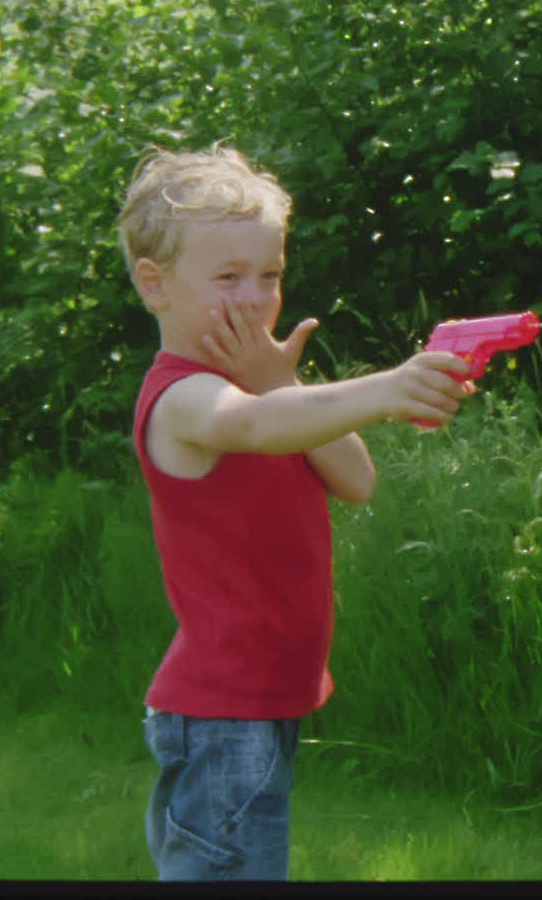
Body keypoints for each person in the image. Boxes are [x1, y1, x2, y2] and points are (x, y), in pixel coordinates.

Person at [115, 144, 474, 880]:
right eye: (228, 278)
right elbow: (248, 425)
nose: (256, 298)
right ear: (155, 284)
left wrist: (282, 381)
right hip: (221, 714)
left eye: (270, 275)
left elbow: (357, 479)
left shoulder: (269, 400)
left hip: (259, 705)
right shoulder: (181, 397)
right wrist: (388, 388)